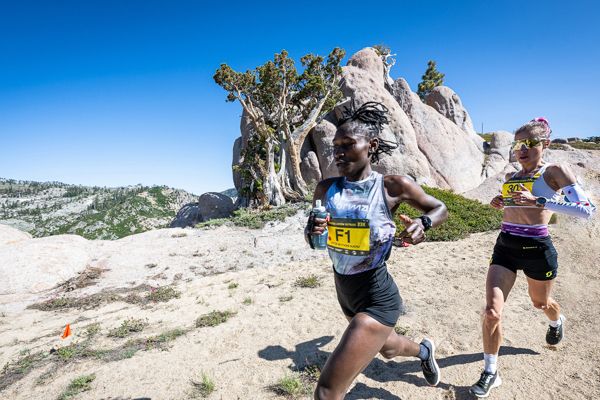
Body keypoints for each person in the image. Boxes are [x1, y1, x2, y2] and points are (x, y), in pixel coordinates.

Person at [305, 101, 449, 400]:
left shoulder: (391, 187)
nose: (338, 153)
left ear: (370, 146)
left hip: (377, 296)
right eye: (335, 147)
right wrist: (312, 231)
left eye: (348, 144)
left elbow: (439, 208)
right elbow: (315, 238)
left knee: (327, 392)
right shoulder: (325, 189)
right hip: (345, 291)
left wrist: (423, 223)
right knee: (389, 349)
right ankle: (424, 351)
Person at [469, 117, 596, 398]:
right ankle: (491, 372)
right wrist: (500, 202)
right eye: (518, 144)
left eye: (530, 143)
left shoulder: (554, 172)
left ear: (545, 144)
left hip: (537, 250)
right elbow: (515, 208)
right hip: (505, 247)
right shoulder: (511, 177)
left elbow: (587, 210)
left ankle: (556, 321)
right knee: (491, 312)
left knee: (541, 304)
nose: (522, 149)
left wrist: (540, 201)